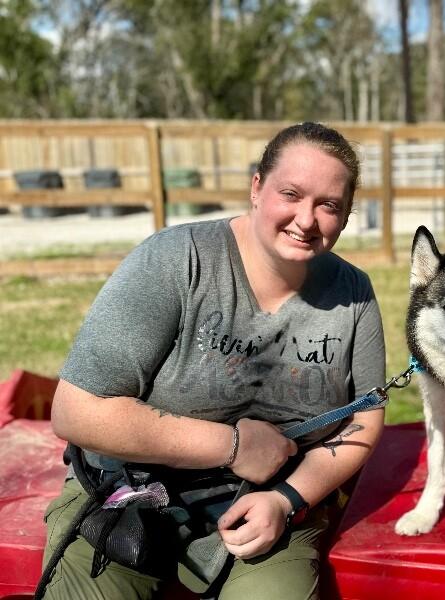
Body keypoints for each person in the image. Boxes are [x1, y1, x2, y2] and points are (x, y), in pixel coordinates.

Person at [40, 122, 386, 600]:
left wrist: (286, 499)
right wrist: (232, 446)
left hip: (267, 509)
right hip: (125, 492)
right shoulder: (175, 260)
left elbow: (363, 417)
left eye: (328, 205)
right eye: (291, 193)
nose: (306, 220)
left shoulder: (354, 295)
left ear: (346, 217)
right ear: (257, 186)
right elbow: (76, 410)